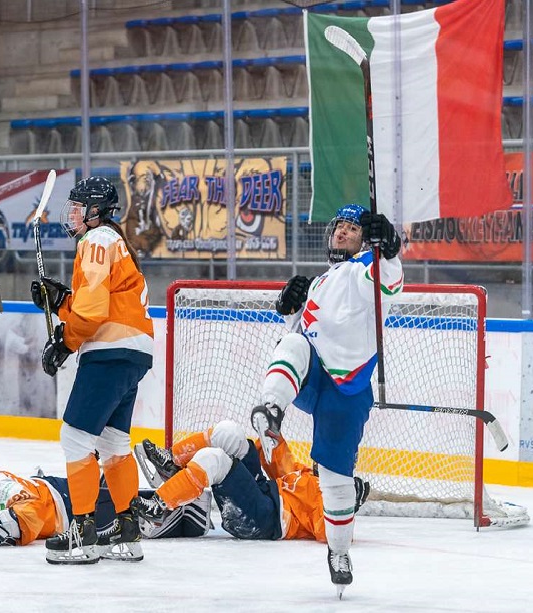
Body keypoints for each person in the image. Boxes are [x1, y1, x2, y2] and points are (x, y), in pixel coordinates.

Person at [246, 203, 402, 596]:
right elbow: (294, 337)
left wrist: (392, 249)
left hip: (348, 392)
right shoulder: (318, 282)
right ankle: (271, 410)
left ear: (364, 238)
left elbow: (390, 286)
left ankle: (339, 552)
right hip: (314, 378)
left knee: (335, 481)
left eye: (353, 227)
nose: (344, 232)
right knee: (294, 341)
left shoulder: (366, 267)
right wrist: (287, 310)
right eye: (340, 226)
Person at [29, 177, 154, 564]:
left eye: (79, 207)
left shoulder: (96, 241)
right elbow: (100, 303)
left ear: (95, 211)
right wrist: (61, 301)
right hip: (132, 351)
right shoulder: (113, 240)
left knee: (76, 438)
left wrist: (65, 342)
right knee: (114, 445)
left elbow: (94, 313)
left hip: (110, 350)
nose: (73, 214)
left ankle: (81, 533)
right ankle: (126, 530)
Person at [132, 418, 370, 544]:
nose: (322, 459)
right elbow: (278, 463)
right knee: (229, 432)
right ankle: (172, 463)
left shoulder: (328, 499)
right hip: (262, 493)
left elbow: (330, 535)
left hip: (264, 518)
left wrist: (345, 506)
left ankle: (159, 507)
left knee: (214, 459)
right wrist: (270, 432)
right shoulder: (305, 473)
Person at [0, 469, 211, 546]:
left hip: (70, 507)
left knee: (134, 514)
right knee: (125, 499)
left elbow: (13, 529)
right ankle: (189, 498)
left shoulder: (13, 497)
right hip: (62, 491)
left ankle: (192, 509)